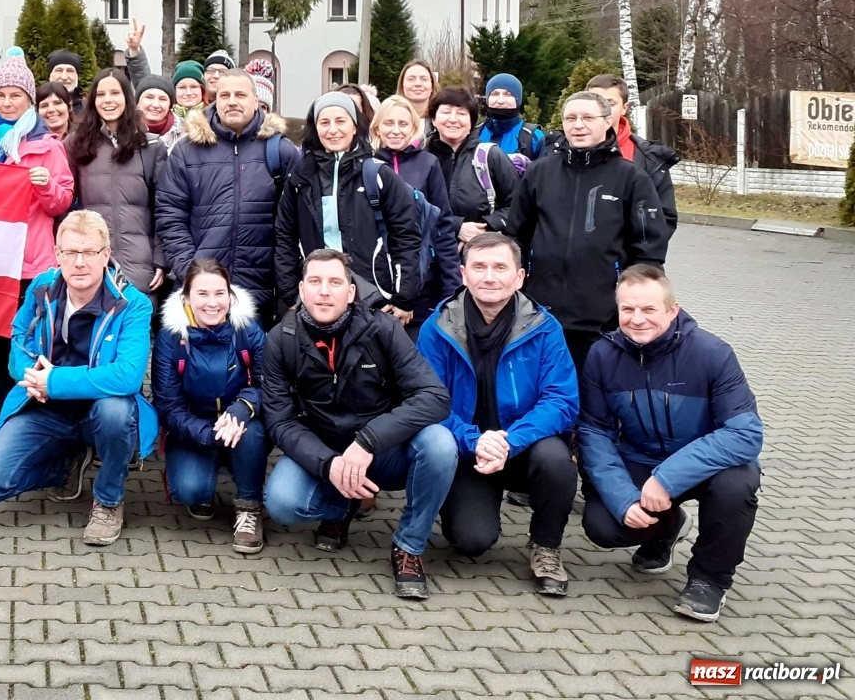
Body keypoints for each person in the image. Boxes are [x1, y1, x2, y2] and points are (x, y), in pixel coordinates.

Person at [262, 249, 456, 601]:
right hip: (323, 450)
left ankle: (409, 546)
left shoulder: (384, 330)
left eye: (335, 282)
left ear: (350, 292)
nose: (325, 291)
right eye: (316, 282)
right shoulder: (280, 339)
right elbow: (279, 420)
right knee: (281, 502)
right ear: (302, 290)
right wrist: (329, 464)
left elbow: (434, 397)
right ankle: (342, 506)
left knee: (440, 443)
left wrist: (368, 441)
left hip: (381, 452)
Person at [579, 266, 763, 622]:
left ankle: (709, 581)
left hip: (706, 463)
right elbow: (593, 431)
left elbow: (745, 434)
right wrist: (622, 497)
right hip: (640, 459)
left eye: (649, 309)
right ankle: (667, 528)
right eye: (627, 310)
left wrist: (667, 477)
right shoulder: (602, 356)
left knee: (736, 484)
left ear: (672, 310)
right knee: (602, 525)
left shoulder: (712, 353)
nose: (637, 319)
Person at [0, 211, 157, 547]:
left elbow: (128, 376)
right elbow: (18, 341)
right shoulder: (41, 288)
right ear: (57, 254)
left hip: (98, 410)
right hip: (44, 407)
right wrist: (31, 377)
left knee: (116, 412)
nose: (80, 262)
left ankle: (108, 501)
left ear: (105, 255)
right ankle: (66, 465)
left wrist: (53, 381)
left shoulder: (133, 304)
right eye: (70, 252)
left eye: (89, 253)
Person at [417, 233, 579, 596]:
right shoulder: (436, 329)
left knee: (556, 458)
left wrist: (511, 440)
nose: (489, 277)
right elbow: (427, 401)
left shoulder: (545, 328)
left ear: (520, 277)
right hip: (466, 452)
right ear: (463, 274)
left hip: (523, 448)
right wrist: (474, 441)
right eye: (479, 267)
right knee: (471, 541)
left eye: (500, 267)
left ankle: (546, 546)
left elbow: (562, 401)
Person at [487, 91, 669, 373]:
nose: (578, 125)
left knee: (594, 402)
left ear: (607, 121)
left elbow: (648, 250)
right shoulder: (540, 173)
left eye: (587, 117)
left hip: (602, 319)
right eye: (570, 118)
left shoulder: (631, 178)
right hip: (541, 314)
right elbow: (516, 237)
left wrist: (632, 302)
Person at [0, 48, 75, 423]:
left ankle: (31, 419)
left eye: (16, 95)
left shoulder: (48, 147)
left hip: (32, 263)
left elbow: (62, 202)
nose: (8, 102)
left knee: (30, 342)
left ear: (29, 100)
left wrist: (46, 186)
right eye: (1, 95)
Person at [156, 70, 299, 325]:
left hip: (259, 293)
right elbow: (170, 216)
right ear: (214, 100)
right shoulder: (187, 152)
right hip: (201, 294)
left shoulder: (280, 151)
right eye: (225, 95)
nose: (232, 101)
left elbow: (295, 223)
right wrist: (192, 271)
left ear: (256, 101)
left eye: (241, 94)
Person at [273, 92, 423, 326]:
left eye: (340, 121)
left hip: (374, 298)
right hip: (316, 301)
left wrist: (404, 297)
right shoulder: (299, 179)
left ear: (355, 127)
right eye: (324, 122)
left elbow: (406, 236)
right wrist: (292, 294)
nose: (333, 130)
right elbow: (285, 238)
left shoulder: (378, 175)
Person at [153, 258, 267, 552]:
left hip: (240, 423)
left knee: (251, 431)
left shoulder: (248, 329)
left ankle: (250, 508)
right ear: (186, 297)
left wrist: (242, 407)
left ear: (230, 295)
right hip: (194, 427)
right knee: (190, 491)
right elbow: (168, 405)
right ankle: (211, 463)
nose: (212, 303)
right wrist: (208, 434)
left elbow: (269, 383)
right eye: (202, 294)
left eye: (220, 293)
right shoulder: (170, 337)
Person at [65, 68, 165, 295]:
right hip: (90, 265)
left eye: (115, 93)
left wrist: (161, 259)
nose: (108, 100)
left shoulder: (150, 146)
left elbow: (163, 208)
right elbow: (65, 206)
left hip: (141, 268)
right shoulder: (75, 144)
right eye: (101, 94)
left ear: (127, 99)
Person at [371, 94, 462, 333]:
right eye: (389, 123)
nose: (396, 130)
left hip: (423, 283)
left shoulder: (428, 164)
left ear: (413, 127)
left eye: (403, 124)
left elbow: (442, 225)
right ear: (377, 128)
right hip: (376, 281)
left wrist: (452, 289)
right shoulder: (366, 165)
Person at [587, 73, 679, 236]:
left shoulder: (649, 159)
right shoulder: (559, 151)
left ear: (625, 108)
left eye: (610, 103)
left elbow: (662, 219)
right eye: (596, 102)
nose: (603, 110)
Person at [427, 86, 517, 236]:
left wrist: (486, 226)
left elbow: (516, 204)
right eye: (446, 112)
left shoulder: (490, 157)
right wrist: (456, 226)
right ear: (433, 120)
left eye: (461, 113)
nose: (453, 119)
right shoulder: (421, 158)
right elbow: (413, 207)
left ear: (471, 122)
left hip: (482, 249)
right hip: (432, 251)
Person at [478, 72, 546, 161]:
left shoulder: (534, 137)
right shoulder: (474, 133)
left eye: (508, 94)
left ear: (518, 99)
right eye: (495, 94)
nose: (500, 100)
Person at [136, 73, 186, 152]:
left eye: (162, 99)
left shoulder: (185, 134)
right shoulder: (122, 132)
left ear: (170, 105)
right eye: (149, 97)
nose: (156, 105)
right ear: (138, 102)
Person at [396, 58, 438, 140]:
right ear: (402, 85)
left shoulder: (441, 120)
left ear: (432, 85)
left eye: (424, 79)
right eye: (411, 79)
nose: (418, 84)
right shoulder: (388, 118)